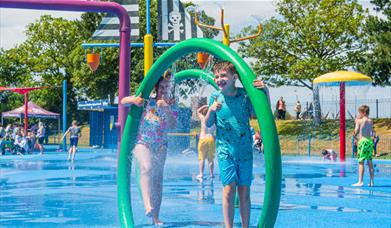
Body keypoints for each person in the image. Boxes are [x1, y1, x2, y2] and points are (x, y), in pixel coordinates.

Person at [204, 61, 270, 228]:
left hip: (245, 151)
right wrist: (211, 110)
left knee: (244, 191)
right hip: (225, 150)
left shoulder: (245, 96)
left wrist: (265, 92)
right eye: (216, 76)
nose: (219, 79)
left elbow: (263, 113)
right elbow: (208, 123)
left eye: (223, 75)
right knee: (228, 189)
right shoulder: (215, 97)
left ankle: (245, 226)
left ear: (234, 78)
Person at [121, 70, 176, 226]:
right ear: (157, 88)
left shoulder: (172, 104)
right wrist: (133, 99)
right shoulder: (147, 101)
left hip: (161, 144)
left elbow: (172, 125)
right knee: (146, 168)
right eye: (162, 87)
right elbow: (122, 101)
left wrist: (166, 110)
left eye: (167, 87)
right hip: (143, 142)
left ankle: (156, 217)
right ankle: (147, 205)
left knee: (158, 181)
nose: (165, 90)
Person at [352, 105, 374, 187]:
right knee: (370, 162)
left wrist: (356, 123)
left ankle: (360, 181)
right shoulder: (370, 121)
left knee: (361, 162)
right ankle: (372, 182)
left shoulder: (360, 121)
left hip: (363, 141)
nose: (359, 114)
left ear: (363, 112)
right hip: (369, 141)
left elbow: (355, 132)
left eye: (359, 112)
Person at [196, 104, 216, 181]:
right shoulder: (214, 121)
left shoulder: (203, 118)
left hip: (203, 138)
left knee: (202, 158)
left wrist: (206, 105)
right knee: (210, 159)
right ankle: (211, 174)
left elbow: (198, 111)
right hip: (211, 139)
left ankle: (201, 174)